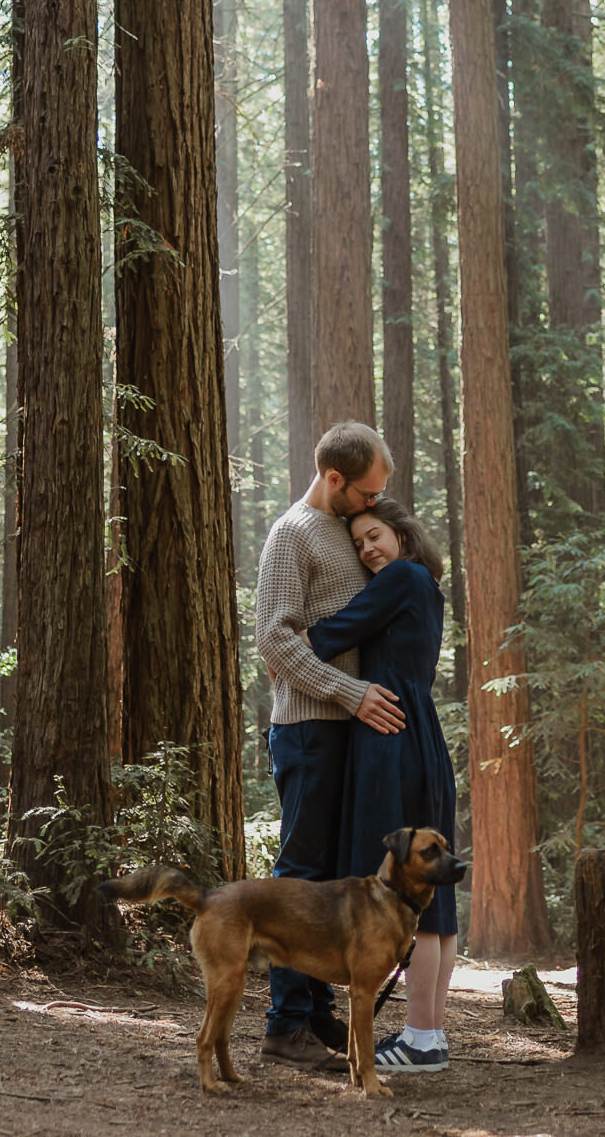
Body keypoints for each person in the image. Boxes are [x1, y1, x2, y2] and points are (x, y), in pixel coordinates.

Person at [252, 422, 406, 1072]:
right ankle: (283, 1024)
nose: (373, 504)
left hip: (346, 729)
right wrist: (349, 692)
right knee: (299, 877)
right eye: (367, 491)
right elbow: (276, 639)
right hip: (310, 728)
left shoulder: (346, 529)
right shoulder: (292, 533)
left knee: (331, 880)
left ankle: (314, 1016)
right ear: (335, 480)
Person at [306, 496, 460, 1074]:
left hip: (392, 739)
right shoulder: (425, 584)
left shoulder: (401, 576)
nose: (368, 548)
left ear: (401, 534)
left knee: (398, 892)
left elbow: (334, 633)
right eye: (359, 543)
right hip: (423, 737)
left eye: (375, 535)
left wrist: (301, 636)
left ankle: (421, 1038)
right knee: (432, 893)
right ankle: (429, 1036)